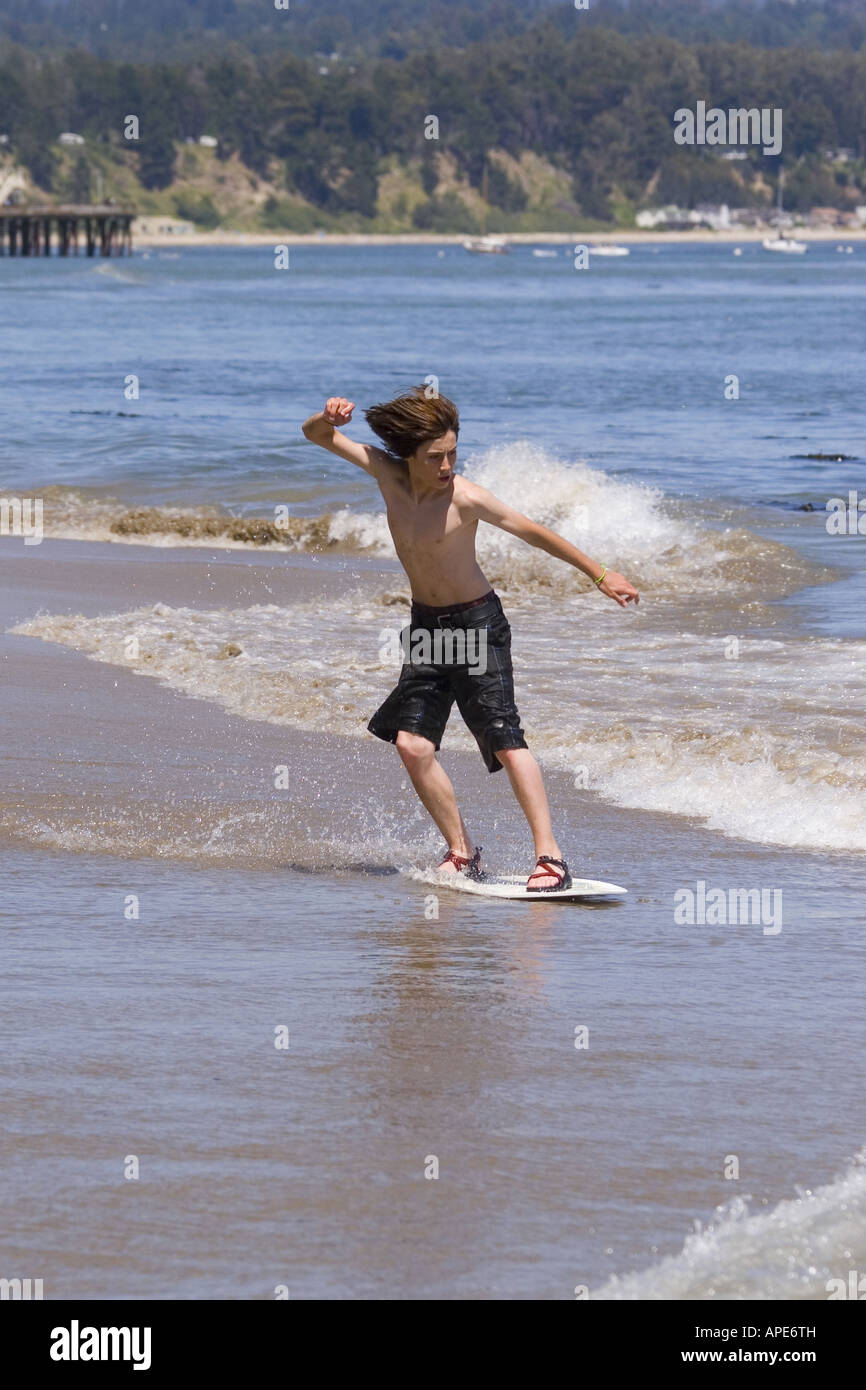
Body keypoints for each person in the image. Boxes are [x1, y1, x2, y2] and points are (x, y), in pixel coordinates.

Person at [302, 386, 639, 891]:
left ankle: (550, 857)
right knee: (413, 745)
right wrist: (328, 415)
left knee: (504, 738)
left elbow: (534, 532)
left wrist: (599, 573)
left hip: (478, 625)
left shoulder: (466, 496)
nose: (446, 465)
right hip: (427, 627)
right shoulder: (386, 474)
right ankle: (461, 853)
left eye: (453, 453)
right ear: (407, 456)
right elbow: (316, 435)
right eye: (435, 457)